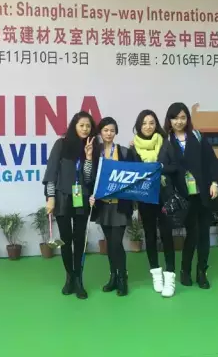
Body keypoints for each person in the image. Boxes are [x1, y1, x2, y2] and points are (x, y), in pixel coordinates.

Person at [163, 102, 218, 290]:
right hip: (183, 197)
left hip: (202, 194)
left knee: (204, 234)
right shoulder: (166, 141)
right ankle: (185, 270)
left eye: (182, 117)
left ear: (187, 119)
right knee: (192, 234)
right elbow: (162, 168)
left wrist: (214, 182)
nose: (179, 121)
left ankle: (202, 272)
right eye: (175, 118)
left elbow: (211, 161)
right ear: (169, 120)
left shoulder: (197, 137)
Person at [43, 111, 99, 299]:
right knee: (65, 239)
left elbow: (89, 178)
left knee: (80, 239)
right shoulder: (61, 144)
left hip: (82, 197)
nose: (85, 129)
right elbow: (51, 172)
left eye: (88, 126)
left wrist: (89, 157)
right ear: (74, 126)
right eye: (82, 125)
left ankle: (79, 279)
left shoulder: (92, 147)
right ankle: (69, 277)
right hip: (62, 197)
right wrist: (51, 198)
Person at [128, 109, 180, 298]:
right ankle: (156, 275)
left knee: (167, 235)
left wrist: (161, 168)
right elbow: (132, 172)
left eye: (151, 123)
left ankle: (170, 277)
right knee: (149, 235)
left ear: (156, 124)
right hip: (145, 198)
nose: (148, 126)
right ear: (139, 126)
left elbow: (175, 167)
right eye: (144, 123)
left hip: (164, 196)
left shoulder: (165, 143)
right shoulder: (133, 147)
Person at [88, 117, 132, 297]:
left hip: (120, 205)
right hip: (103, 206)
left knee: (116, 243)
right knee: (109, 243)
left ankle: (122, 278)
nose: (109, 133)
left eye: (112, 130)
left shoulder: (124, 152)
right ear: (100, 132)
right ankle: (113, 276)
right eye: (106, 130)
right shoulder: (95, 152)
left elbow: (133, 175)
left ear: (116, 132)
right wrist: (90, 196)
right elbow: (89, 177)